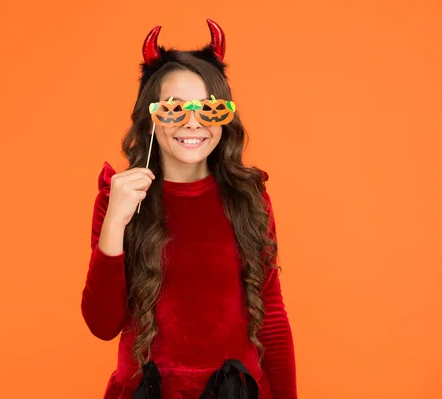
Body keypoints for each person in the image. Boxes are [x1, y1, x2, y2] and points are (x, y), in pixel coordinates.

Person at [81, 19, 297, 399]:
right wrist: (116, 221)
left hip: (234, 391)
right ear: (150, 117)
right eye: (174, 109)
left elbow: (271, 314)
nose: (193, 123)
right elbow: (102, 323)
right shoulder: (117, 198)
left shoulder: (248, 196)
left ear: (225, 117)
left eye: (209, 110)